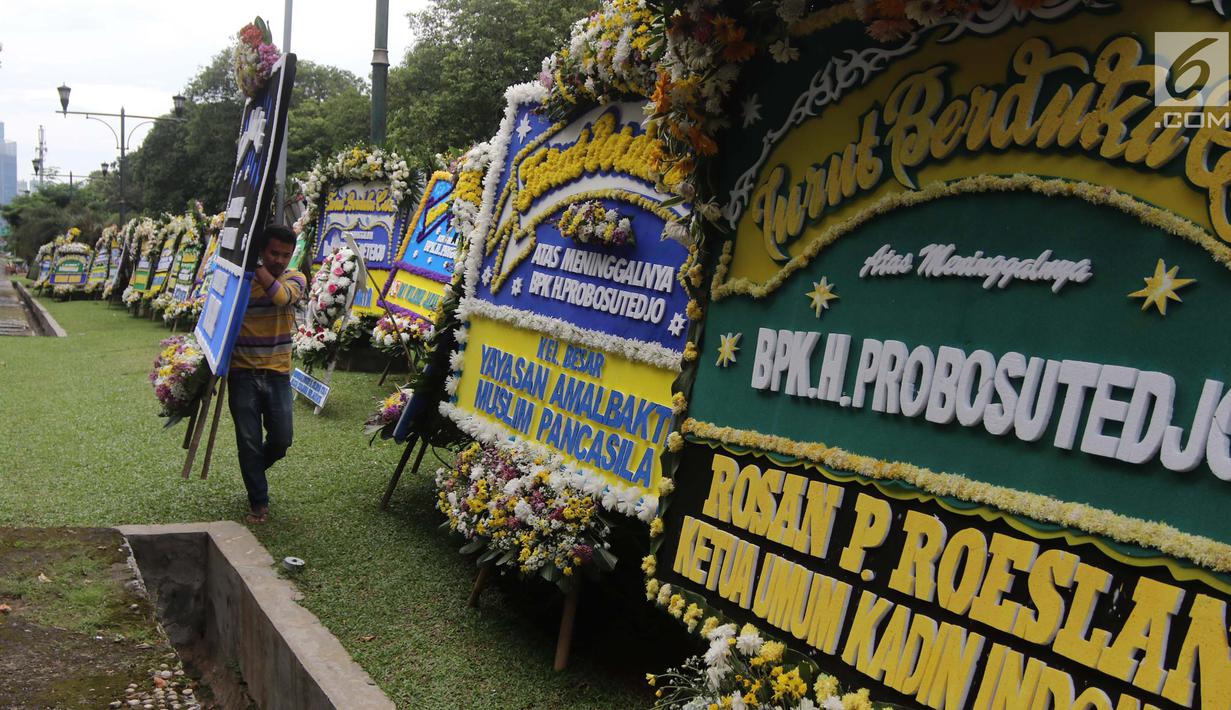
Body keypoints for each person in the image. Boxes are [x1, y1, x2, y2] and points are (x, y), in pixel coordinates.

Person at [228, 224, 306, 524]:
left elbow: (282, 298)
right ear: (262, 250)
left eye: (286, 255)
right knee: (248, 440)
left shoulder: (295, 277)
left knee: (281, 440)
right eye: (273, 253)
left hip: (277, 373)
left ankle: (253, 469)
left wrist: (256, 267)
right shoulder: (241, 283)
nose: (280, 260)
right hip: (242, 373)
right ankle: (258, 502)